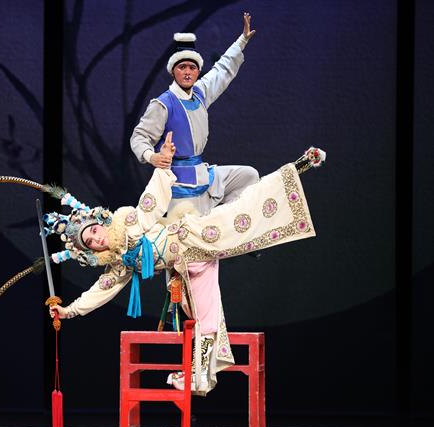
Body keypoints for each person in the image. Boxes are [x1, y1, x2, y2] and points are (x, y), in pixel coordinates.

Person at [46, 143, 326, 395]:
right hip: (187, 268)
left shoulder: (128, 223)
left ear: (100, 223)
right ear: (90, 251)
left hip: (193, 236)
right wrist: (69, 311)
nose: (96, 239)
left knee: (242, 213)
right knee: (206, 317)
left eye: (94, 231)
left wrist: (164, 164)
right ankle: (197, 376)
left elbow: (151, 201)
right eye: (90, 242)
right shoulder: (120, 263)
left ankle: (298, 166)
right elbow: (101, 290)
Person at [130, 12, 259, 216]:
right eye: (182, 67)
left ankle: (225, 222)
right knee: (191, 230)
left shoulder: (200, 93)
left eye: (192, 67)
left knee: (249, 176)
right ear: (173, 71)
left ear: (198, 71)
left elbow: (222, 69)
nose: (187, 72)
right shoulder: (163, 104)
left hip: (203, 174)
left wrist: (242, 40)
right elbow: (139, 137)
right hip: (179, 184)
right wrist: (152, 156)